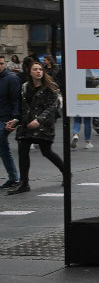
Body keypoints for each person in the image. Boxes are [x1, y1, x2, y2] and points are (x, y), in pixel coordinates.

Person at [4, 62, 65, 195]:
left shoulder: (50, 87)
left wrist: (39, 120)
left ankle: (65, 172)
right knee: (23, 151)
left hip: (43, 126)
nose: (38, 72)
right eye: (35, 69)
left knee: (46, 151)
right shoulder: (25, 87)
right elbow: (22, 107)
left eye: (40, 69)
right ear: (30, 72)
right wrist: (15, 120)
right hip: (26, 125)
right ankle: (24, 183)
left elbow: (52, 107)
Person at [0, 55, 21, 189]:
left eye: (1, 63)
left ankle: (14, 177)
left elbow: (17, 100)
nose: (0, 66)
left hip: (5, 119)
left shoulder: (11, 78)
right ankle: (13, 178)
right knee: (3, 148)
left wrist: (15, 118)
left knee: (2, 144)